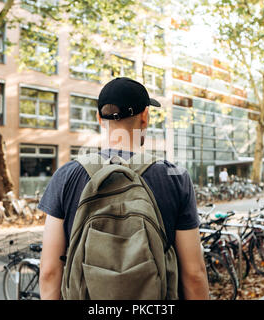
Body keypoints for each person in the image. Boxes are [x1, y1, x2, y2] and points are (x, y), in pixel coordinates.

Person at [38, 77, 209, 300]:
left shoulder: (67, 176)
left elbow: (50, 272)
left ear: (99, 118)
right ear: (145, 117)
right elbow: (194, 274)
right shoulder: (175, 177)